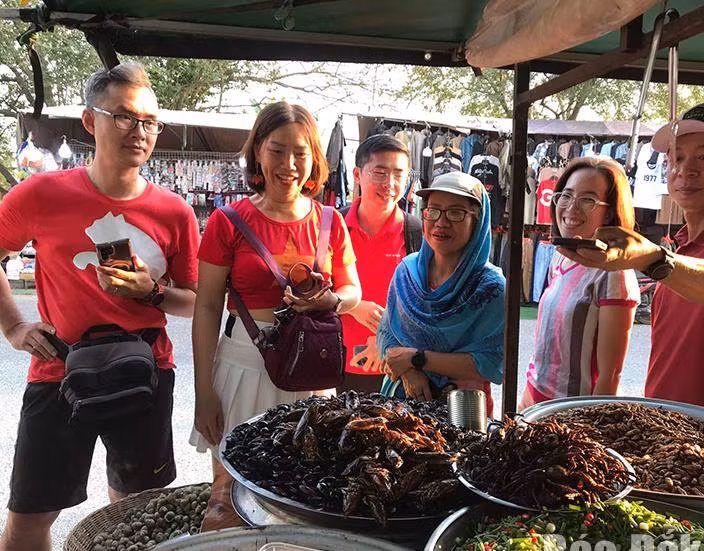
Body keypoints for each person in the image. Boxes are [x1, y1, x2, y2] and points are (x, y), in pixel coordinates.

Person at [0, 63, 199, 551]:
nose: (140, 131)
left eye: (151, 122)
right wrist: (14, 325)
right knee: (29, 515)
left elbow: (195, 300)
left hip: (145, 373)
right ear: (91, 121)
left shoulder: (175, 211)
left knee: (135, 511)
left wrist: (151, 293)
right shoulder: (42, 193)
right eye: (125, 117)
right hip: (57, 372)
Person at [190, 101, 361, 528]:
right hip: (243, 367)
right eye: (277, 150)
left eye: (300, 153)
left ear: (314, 158)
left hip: (311, 373)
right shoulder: (227, 221)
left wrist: (330, 302)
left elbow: (352, 291)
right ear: (257, 152)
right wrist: (204, 392)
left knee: (310, 495)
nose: (289, 165)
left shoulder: (330, 221)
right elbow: (207, 307)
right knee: (231, 497)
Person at [559, 104, 704, 414]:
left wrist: (653, 258)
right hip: (661, 422)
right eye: (675, 157)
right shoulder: (680, 245)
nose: (685, 170)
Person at [519, 157, 640, 408]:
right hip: (534, 398)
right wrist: (527, 398)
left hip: (571, 413)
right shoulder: (561, 257)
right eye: (566, 195)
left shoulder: (613, 273)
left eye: (587, 200)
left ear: (609, 212)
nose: (571, 208)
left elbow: (609, 377)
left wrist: (588, 426)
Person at [378, 171, 505, 411]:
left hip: (463, 410)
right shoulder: (407, 272)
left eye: (456, 213)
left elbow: (490, 362)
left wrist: (416, 359)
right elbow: (387, 333)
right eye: (433, 210)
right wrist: (409, 371)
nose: (441, 222)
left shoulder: (490, 288)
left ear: (477, 221)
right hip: (398, 405)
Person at [339, 134, 422, 393]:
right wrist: (353, 306)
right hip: (332, 365)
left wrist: (386, 339)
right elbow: (312, 291)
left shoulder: (416, 233)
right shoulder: (332, 227)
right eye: (380, 173)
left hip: (395, 371)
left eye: (399, 174)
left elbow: (425, 302)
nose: (390, 184)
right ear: (357, 174)